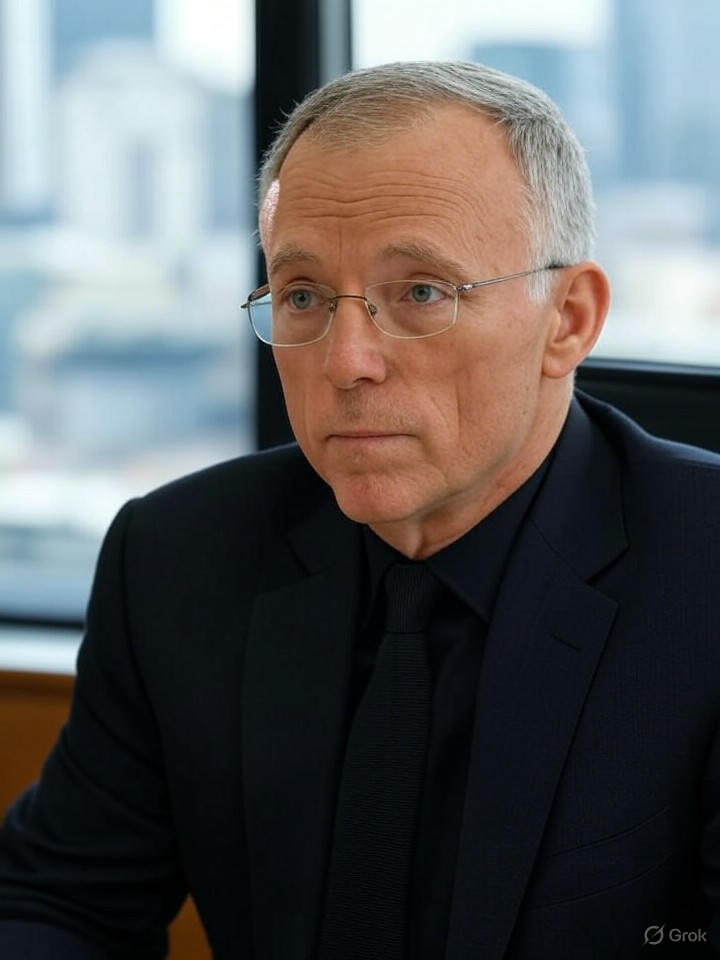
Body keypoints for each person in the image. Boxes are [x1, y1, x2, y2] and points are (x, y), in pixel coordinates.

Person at [1, 60, 720, 960]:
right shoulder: (179, 557)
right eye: (302, 297)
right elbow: (59, 904)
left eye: (421, 293)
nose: (346, 362)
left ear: (567, 319)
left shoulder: (705, 573)